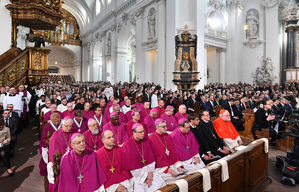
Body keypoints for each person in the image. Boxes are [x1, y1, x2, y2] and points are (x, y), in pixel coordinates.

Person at [122, 123, 165, 192]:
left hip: (150, 171)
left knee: (161, 185)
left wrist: (150, 175)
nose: (143, 134)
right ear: (134, 133)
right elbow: (132, 168)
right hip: (137, 175)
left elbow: (152, 159)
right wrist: (146, 177)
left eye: (143, 131)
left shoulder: (147, 141)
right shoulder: (127, 146)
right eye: (140, 132)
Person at [149, 119, 184, 183]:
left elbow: (173, 152)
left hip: (173, 166)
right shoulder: (151, 139)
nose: (166, 128)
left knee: (184, 178)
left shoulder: (167, 136)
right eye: (164, 127)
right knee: (177, 182)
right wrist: (167, 169)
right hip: (161, 169)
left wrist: (178, 166)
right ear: (157, 127)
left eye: (166, 126)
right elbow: (154, 159)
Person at [47, 117, 73, 191]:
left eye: (70, 126)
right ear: (62, 125)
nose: (69, 128)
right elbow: (53, 152)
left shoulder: (73, 133)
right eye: (66, 126)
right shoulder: (55, 135)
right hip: (61, 162)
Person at [39, 113, 61, 178]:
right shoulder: (47, 126)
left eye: (58, 121)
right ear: (51, 120)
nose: (56, 123)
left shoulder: (62, 125)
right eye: (55, 121)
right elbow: (43, 138)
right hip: (51, 145)